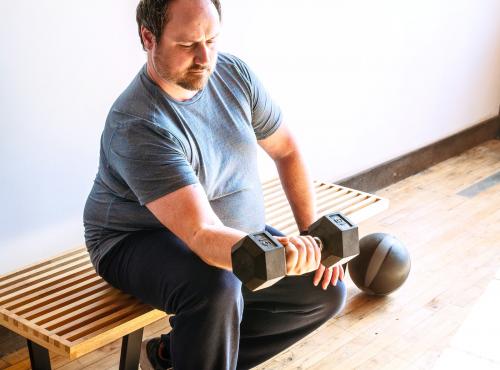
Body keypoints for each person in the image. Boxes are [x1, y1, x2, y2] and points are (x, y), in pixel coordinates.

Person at [83, 0, 346, 369]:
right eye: (188, 44)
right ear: (148, 37)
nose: (205, 57)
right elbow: (201, 234)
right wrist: (278, 252)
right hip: (133, 238)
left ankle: (174, 356)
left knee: (323, 290)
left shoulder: (234, 75)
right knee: (218, 290)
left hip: (221, 226)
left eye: (212, 39)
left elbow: (286, 150)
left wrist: (310, 235)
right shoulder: (138, 123)